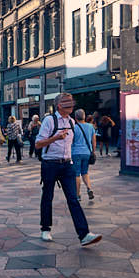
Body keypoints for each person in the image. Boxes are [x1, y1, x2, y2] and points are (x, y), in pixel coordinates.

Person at [35, 93, 102, 247]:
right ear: (59, 105)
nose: (71, 105)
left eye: (71, 102)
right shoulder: (49, 120)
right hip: (50, 164)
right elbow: (38, 144)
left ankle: (84, 234)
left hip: (67, 164)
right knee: (48, 196)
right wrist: (55, 138)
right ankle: (45, 229)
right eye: (67, 103)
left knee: (73, 199)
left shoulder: (72, 122)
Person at [72, 109, 97, 201]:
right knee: (85, 172)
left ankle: (78, 194)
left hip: (75, 153)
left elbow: (71, 141)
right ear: (84, 116)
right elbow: (94, 141)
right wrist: (93, 151)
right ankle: (89, 188)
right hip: (87, 152)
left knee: (76, 174)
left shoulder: (74, 128)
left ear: (75, 118)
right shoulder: (90, 127)